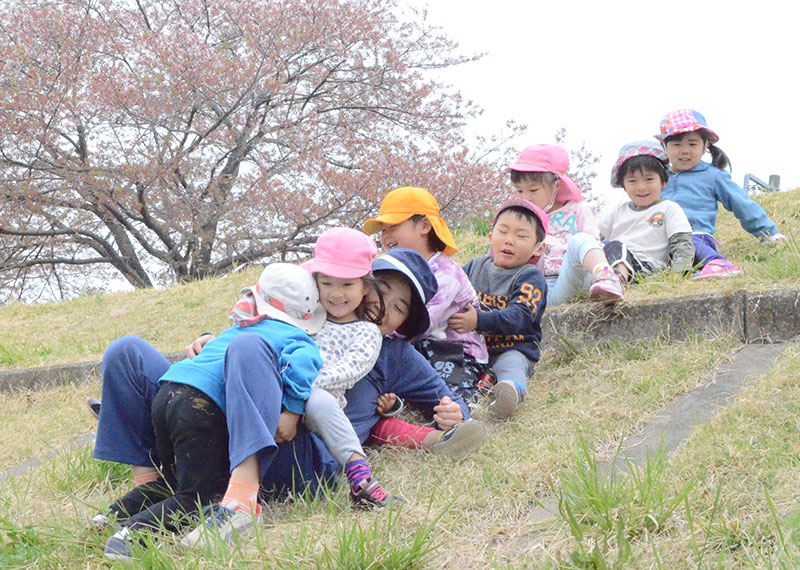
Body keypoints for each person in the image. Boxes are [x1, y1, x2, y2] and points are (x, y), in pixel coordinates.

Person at [91, 248, 471, 555]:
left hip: (297, 451)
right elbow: (245, 331)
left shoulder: (394, 355)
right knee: (128, 352)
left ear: (403, 324)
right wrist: (210, 341)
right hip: (222, 420)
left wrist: (455, 412)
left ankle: (241, 501)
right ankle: (153, 481)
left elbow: (451, 399)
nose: (385, 306)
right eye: (381, 290)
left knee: (249, 347)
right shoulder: (307, 312)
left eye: (400, 308)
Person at [100, 263, 326, 561]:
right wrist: (293, 411)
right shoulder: (296, 340)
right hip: (203, 409)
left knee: (124, 349)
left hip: (168, 393)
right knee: (195, 496)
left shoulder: (238, 327)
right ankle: (132, 536)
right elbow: (303, 367)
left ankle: (133, 498)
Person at [362, 186, 489, 405]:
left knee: (446, 396)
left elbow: (423, 324)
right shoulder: (396, 273)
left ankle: (472, 395)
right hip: (417, 347)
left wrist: (374, 334)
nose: (386, 236)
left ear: (424, 226)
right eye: (383, 230)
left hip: (457, 351)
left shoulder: (445, 274)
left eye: (393, 226)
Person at [656, 109, 787, 280]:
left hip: (695, 236)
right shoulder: (657, 178)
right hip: (661, 239)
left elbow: (742, 204)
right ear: (664, 146)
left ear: (705, 146)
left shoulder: (713, 176)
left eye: (692, 144)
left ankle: (716, 263)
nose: (684, 150)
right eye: (676, 144)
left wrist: (769, 233)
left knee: (688, 241)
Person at [449, 199, 548, 421]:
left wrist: (478, 321)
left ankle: (511, 393)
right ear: (490, 237)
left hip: (512, 347)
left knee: (511, 365)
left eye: (521, 236)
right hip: (471, 348)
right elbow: (449, 290)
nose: (509, 240)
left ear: (538, 248)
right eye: (503, 231)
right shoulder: (474, 267)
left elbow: (521, 316)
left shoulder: (530, 277)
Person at [508, 144, 624, 304]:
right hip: (535, 291)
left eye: (533, 190)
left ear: (556, 186)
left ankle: (605, 276)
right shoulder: (522, 218)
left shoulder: (577, 211)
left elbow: (592, 245)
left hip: (571, 281)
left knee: (581, 240)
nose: (525, 197)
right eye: (519, 191)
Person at [598, 141, 694, 281]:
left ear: (663, 182)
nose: (641, 187)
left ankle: (617, 281)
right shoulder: (616, 212)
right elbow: (594, 237)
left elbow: (682, 243)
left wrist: (678, 274)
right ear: (623, 184)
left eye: (649, 179)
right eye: (632, 181)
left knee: (615, 246)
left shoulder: (669, 209)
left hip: (648, 268)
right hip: (611, 263)